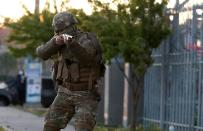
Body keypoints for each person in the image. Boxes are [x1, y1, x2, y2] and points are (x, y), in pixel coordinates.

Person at [36, 12, 105, 131]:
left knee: (83, 127)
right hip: (65, 91)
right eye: (58, 31)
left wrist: (72, 44)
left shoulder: (86, 39)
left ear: (72, 26)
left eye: (63, 30)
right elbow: (41, 53)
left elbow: (88, 60)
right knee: (50, 126)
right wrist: (54, 43)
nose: (61, 33)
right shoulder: (58, 40)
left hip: (86, 93)